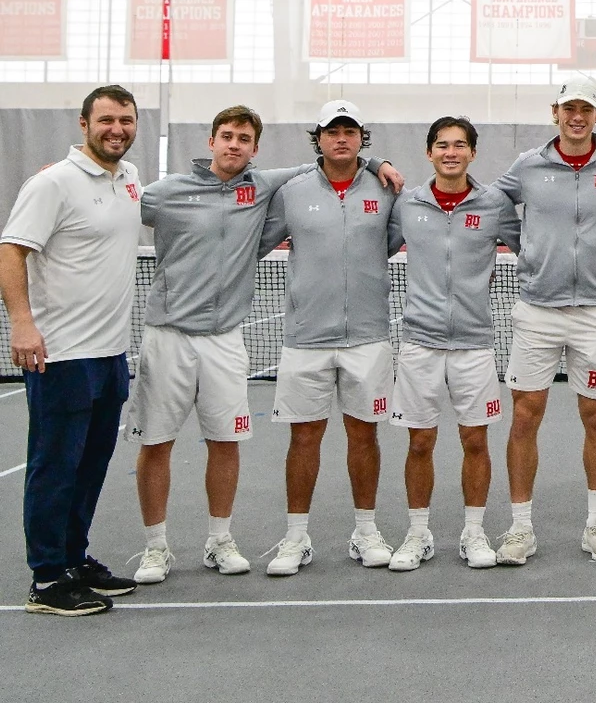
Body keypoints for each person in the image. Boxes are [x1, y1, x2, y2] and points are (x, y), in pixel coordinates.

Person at [127, 105, 401, 584]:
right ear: (211, 140)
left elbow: (389, 232)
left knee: (230, 440)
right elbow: (115, 198)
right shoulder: (176, 192)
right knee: (158, 441)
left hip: (281, 337)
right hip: (184, 335)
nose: (234, 145)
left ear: (255, 149)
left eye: (244, 139)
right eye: (226, 136)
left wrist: (379, 165)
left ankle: (228, 541)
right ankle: (163, 547)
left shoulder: (364, 188)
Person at [493, 79, 596, 566]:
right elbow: (491, 205)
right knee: (524, 416)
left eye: (586, 109)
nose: (576, 116)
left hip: (595, 314)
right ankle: (521, 530)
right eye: (568, 108)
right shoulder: (529, 166)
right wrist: (529, 251)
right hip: (537, 312)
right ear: (555, 112)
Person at [3, 85, 143, 615]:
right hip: (60, 354)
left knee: (91, 464)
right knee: (54, 465)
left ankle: (72, 557)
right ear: (83, 124)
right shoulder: (52, 182)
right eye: (106, 120)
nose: (117, 129)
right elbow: (12, 250)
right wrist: (21, 324)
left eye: (126, 120)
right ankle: (46, 578)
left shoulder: (128, 179)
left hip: (110, 354)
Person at [260, 100, 403, 576]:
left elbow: (403, 240)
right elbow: (255, 239)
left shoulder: (386, 191)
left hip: (368, 336)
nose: (340, 138)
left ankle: (366, 531)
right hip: (306, 339)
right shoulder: (292, 192)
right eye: (331, 131)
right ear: (317, 138)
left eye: (349, 131)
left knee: (365, 436)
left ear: (362, 137)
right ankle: (296, 537)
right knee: (304, 438)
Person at [385, 116, 521, 571]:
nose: (450, 152)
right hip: (419, 342)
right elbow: (372, 245)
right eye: (442, 145)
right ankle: (418, 533)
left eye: (460, 145)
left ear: (473, 153)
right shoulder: (406, 205)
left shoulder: (495, 204)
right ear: (429, 153)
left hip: (474, 344)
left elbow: (532, 247)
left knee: (475, 441)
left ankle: (474, 532)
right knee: (419, 443)